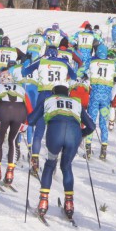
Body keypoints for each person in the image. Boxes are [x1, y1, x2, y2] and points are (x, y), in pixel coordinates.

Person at [28, 85, 95, 220]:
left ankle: (43, 202)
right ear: (68, 94)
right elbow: (92, 126)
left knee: (50, 164)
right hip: (73, 135)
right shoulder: (76, 102)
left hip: (55, 133)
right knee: (66, 166)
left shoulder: (48, 100)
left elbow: (30, 120)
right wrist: (81, 134)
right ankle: (69, 204)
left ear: (53, 93)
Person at [23, 46, 78, 177]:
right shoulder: (63, 62)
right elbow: (75, 75)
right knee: (55, 131)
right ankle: (52, 162)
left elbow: (25, 72)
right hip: (58, 99)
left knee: (39, 131)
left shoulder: (42, 61)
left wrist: (27, 61)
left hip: (43, 97)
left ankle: (35, 160)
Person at [84, 44, 116, 159]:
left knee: (91, 121)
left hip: (94, 97)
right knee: (103, 123)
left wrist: (84, 76)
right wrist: (115, 78)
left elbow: (80, 71)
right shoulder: (113, 63)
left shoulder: (92, 62)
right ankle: (103, 150)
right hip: (106, 98)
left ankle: (88, 148)